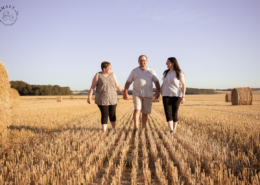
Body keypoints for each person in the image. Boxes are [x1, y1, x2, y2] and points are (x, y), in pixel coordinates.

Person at [124, 55, 160, 132]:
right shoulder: (134, 71)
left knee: (145, 112)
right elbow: (128, 82)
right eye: (140, 60)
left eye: (144, 60)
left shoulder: (151, 71)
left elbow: (156, 81)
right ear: (138, 61)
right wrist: (125, 92)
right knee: (137, 110)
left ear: (146, 61)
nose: (142, 62)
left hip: (148, 94)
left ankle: (143, 128)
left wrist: (158, 92)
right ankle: (136, 128)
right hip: (137, 93)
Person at [88, 61, 124, 133]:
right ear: (104, 69)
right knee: (105, 114)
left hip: (113, 97)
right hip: (102, 98)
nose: (111, 68)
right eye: (109, 67)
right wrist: (89, 97)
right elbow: (93, 86)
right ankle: (104, 131)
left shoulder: (113, 74)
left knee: (112, 114)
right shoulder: (98, 75)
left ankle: (114, 128)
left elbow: (117, 85)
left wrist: (124, 93)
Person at [161, 57, 186, 135]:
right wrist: (158, 92)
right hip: (165, 95)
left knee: (174, 113)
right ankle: (171, 130)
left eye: (167, 62)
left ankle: (174, 129)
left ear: (172, 63)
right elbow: (163, 84)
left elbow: (183, 84)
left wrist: (183, 96)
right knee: (168, 112)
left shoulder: (179, 73)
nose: (166, 63)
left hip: (176, 95)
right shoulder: (165, 73)